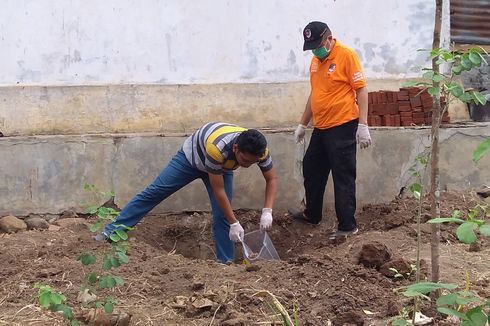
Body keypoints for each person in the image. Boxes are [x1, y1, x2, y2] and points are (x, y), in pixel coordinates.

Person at [96, 122, 278, 263]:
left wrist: (267, 211)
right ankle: (111, 232)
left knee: (222, 215)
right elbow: (218, 190)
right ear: (236, 149)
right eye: (245, 160)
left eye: (251, 162)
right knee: (155, 191)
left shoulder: (260, 151)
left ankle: (226, 263)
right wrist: (234, 222)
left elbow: (271, 179)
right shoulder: (218, 147)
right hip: (191, 160)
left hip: (222, 166)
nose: (246, 165)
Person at [289, 21, 371, 240]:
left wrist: (363, 125)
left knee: (342, 175)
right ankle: (312, 214)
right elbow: (314, 95)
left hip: (343, 126)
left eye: (317, 44)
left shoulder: (346, 55)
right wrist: (302, 124)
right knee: (311, 168)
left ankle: (347, 226)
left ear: (328, 38)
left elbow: (361, 91)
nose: (315, 50)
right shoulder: (316, 61)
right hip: (321, 127)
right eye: (311, 46)